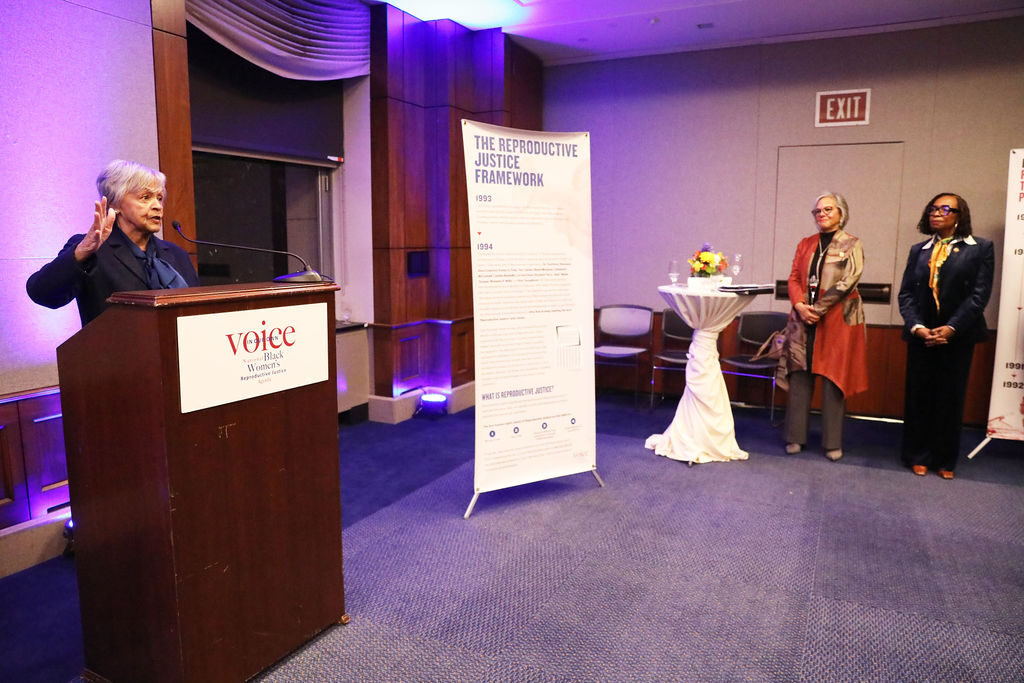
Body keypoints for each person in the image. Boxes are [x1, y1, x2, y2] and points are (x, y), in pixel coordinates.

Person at [27, 160, 199, 325]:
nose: (157, 206)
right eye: (145, 197)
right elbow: (42, 293)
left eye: (159, 198)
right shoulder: (90, 249)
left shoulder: (177, 255)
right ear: (114, 204)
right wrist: (81, 253)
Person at [897, 193, 994, 479]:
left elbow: (979, 296)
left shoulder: (981, 249)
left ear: (959, 215)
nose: (936, 213)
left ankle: (945, 460)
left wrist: (951, 328)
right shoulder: (919, 250)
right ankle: (917, 454)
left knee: (950, 398)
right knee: (919, 397)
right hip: (921, 335)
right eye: (932, 209)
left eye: (944, 208)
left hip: (959, 335)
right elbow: (906, 294)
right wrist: (918, 327)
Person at [778, 192, 868, 461]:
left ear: (841, 213)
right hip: (803, 318)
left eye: (828, 210)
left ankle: (831, 442)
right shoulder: (805, 244)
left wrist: (817, 309)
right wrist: (800, 305)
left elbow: (849, 281)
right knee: (799, 375)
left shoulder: (852, 243)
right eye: (817, 211)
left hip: (837, 318)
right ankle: (795, 437)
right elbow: (794, 278)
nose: (822, 215)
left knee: (832, 379)